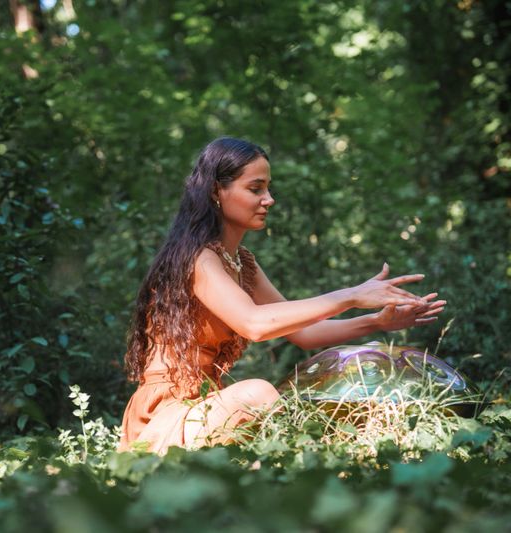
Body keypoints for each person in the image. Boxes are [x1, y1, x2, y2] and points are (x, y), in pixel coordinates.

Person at [118, 137, 446, 454]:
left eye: (267, 188)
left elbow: (304, 333)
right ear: (217, 191)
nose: (269, 199)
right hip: (163, 418)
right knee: (258, 392)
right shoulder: (198, 259)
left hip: (206, 409)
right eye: (255, 188)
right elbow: (254, 324)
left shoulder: (241, 263)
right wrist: (352, 295)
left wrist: (377, 321)